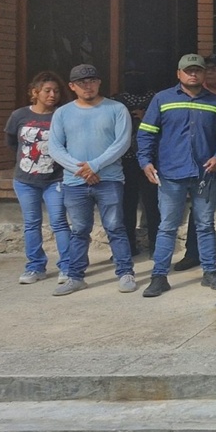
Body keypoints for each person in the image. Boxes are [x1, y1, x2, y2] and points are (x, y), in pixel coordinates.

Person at [136, 54, 216, 297]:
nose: (193, 74)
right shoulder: (162, 99)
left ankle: (210, 272)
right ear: (179, 74)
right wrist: (145, 162)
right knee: (167, 226)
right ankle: (159, 276)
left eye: (197, 70)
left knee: (206, 225)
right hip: (171, 173)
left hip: (204, 174)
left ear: (202, 74)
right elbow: (146, 133)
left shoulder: (215, 102)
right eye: (188, 70)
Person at [48, 64, 136, 296]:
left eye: (92, 81)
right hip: (74, 182)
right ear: (72, 86)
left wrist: (94, 165)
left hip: (109, 179)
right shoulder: (62, 113)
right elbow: (55, 147)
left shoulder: (117, 109)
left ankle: (125, 272)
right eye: (82, 82)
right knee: (79, 230)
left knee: (116, 227)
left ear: (99, 82)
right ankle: (75, 276)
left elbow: (122, 143)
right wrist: (81, 170)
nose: (88, 86)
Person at [5, 71, 70, 285]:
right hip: (25, 181)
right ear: (35, 92)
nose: (53, 95)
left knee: (59, 222)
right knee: (31, 224)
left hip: (55, 179)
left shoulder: (62, 115)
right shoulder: (19, 115)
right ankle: (35, 267)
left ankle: (68, 267)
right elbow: (12, 142)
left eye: (57, 91)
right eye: (47, 90)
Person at [172, 52, 216, 270]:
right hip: (199, 165)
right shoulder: (193, 95)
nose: (211, 71)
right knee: (199, 211)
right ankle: (193, 254)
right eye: (209, 67)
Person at [113, 68, 159, 256]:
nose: (134, 80)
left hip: (151, 160)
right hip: (126, 161)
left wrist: (145, 117)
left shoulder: (156, 99)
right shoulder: (117, 101)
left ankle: (156, 245)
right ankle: (128, 246)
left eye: (138, 77)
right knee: (127, 205)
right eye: (130, 77)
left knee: (153, 206)